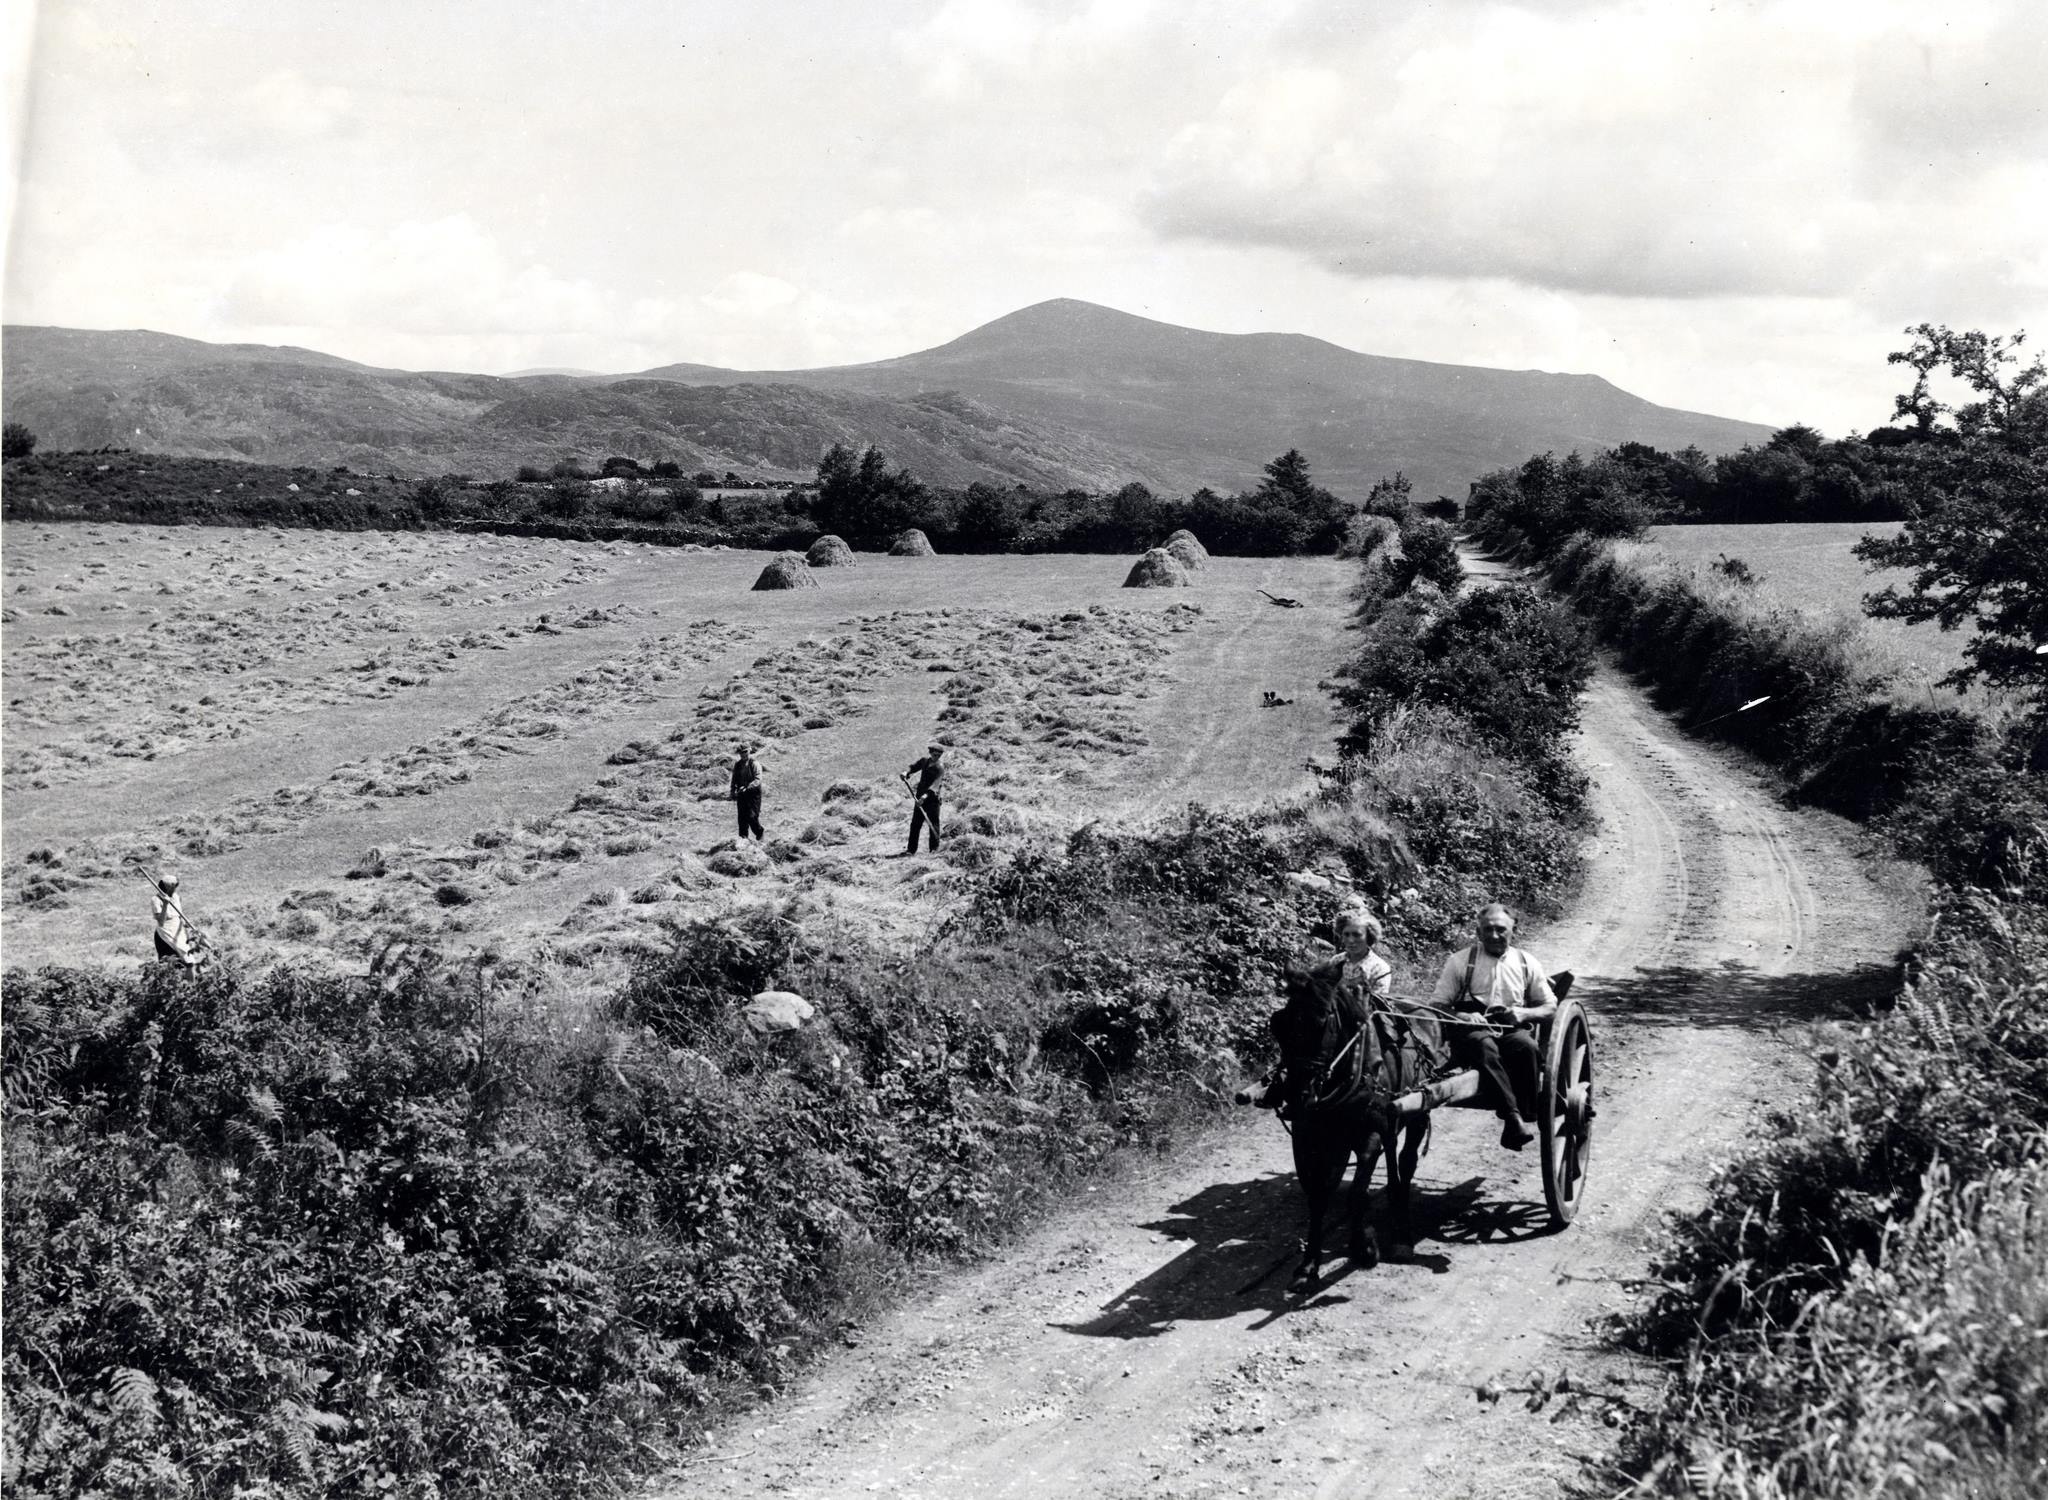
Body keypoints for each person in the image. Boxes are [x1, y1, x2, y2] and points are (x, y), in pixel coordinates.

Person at [1430, 903, 1557, 1150]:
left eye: (1501, 929)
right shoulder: (1460, 962)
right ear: (1478, 933)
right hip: (1470, 1030)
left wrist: (1523, 1013)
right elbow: (1437, 1005)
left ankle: (1526, 1113)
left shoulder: (1526, 962)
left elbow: (1549, 1007)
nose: (1494, 935)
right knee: (1483, 1044)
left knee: (1527, 1047)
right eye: (1487, 930)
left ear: (1513, 930)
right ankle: (1512, 1116)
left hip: (1510, 1027)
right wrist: (1463, 1017)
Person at [151, 873, 205, 967]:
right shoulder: (156, 900)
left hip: (179, 933)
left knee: (188, 961)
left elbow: (179, 915)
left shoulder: (176, 897)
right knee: (170, 964)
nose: (175, 889)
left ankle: (189, 981)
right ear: (168, 887)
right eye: (174, 887)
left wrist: (186, 926)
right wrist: (165, 904)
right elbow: (161, 922)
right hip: (165, 935)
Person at [903, 743, 945, 854]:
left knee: (933, 825)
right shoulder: (924, 761)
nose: (936, 757)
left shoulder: (940, 767)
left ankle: (934, 850)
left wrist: (925, 797)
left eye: (938, 755)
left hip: (932, 800)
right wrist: (906, 772)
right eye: (934, 754)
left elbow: (936, 785)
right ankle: (911, 850)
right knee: (915, 824)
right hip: (919, 799)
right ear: (930, 753)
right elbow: (913, 767)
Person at [729, 742, 764, 841]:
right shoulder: (738, 765)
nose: (743, 754)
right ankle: (743, 841)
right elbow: (734, 779)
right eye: (741, 753)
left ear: (749, 751)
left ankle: (759, 833)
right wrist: (733, 791)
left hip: (753, 795)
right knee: (742, 819)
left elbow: (758, 779)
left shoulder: (754, 763)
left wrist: (748, 787)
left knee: (752, 816)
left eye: (745, 752)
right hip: (741, 794)